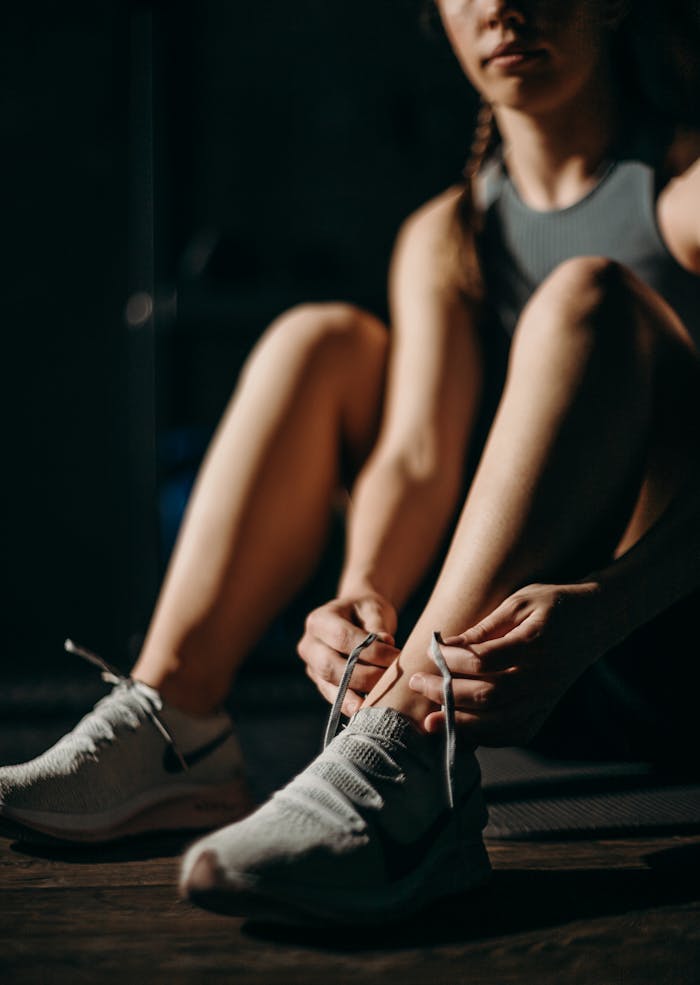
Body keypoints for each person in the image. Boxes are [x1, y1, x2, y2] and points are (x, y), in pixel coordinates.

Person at [2, 0, 699, 924]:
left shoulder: (682, 190)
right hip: (499, 674)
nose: (502, 6)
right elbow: (415, 455)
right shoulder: (448, 234)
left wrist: (610, 605)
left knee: (587, 297)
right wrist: (361, 589)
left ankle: (405, 752)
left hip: (650, 635)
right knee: (322, 339)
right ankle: (177, 721)